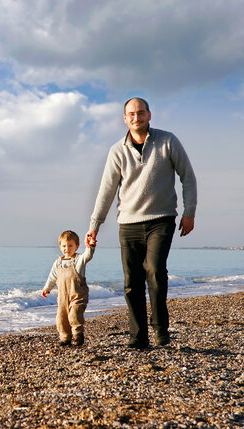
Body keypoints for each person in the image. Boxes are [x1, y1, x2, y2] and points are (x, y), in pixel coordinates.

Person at [87, 97, 197, 349]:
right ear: (125, 119)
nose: (136, 118)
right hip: (128, 223)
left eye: (141, 113)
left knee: (155, 271)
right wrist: (95, 225)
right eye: (131, 114)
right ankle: (138, 337)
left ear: (149, 115)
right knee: (131, 282)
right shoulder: (117, 150)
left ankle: (160, 329)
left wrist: (189, 211)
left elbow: (188, 177)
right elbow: (106, 190)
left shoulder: (168, 141)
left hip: (162, 219)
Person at [42, 230, 97, 346]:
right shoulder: (58, 262)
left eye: (70, 245)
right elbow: (52, 277)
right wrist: (47, 288)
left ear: (76, 246)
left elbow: (88, 256)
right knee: (61, 318)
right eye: (64, 246)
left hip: (77, 294)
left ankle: (78, 335)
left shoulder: (78, 260)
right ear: (60, 246)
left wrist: (91, 246)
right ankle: (65, 337)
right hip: (62, 297)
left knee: (74, 314)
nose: (67, 248)